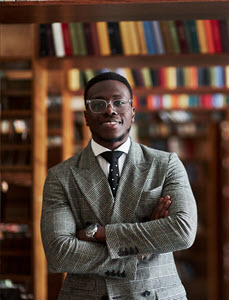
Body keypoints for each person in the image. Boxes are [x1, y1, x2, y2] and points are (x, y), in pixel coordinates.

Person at [40, 72, 197, 300]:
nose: (110, 110)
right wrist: (142, 247)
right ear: (86, 116)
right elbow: (59, 253)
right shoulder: (60, 176)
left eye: (119, 102)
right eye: (98, 104)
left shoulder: (166, 165)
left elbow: (182, 231)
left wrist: (98, 234)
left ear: (132, 112)